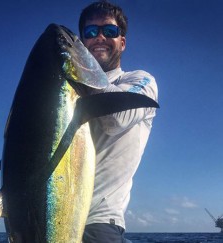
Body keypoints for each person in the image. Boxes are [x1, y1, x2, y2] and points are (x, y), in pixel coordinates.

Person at [78, 1, 158, 242]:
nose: (99, 37)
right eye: (91, 32)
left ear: (122, 42)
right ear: (82, 43)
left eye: (109, 31)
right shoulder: (70, 90)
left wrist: (80, 71)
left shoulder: (140, 80)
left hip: (97, 223)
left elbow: (115, 119)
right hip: (45, 215)